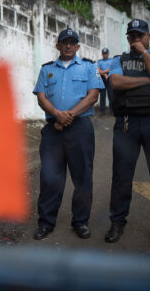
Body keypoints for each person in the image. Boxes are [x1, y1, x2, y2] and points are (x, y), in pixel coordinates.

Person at [105, 19, 150, 246]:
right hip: (126, 122)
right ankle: (117, 222)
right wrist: (146, 80)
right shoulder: (118, 60)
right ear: (127, 38)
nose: (135, 39)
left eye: (139, 35)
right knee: (121, 176)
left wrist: (143, 53)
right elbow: (116, 82)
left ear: (149, 36)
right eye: (131, 36)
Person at [33, 28, 100, 240]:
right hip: (53, 130)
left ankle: (80, 222)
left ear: (78, 46)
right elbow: (41, 97)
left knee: (82, 177)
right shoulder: (47, 70)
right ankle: (46, 222)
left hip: (80, 128)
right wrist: (56, 115)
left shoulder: (89, 67)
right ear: (58, 46)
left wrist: (67, 116)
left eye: (73, 42)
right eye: (65, 42)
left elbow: (93, 97)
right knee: (50, 177)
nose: (69, 46)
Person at [97, 48, 114, 115]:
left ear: (108, 54)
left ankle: (112, 110)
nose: (105, 55)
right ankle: (102, 111)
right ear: (102, 54)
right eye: (103, 54)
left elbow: (112, 69)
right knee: (102, 95)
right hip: (102, 79)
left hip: (109, 78)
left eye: (106, 54)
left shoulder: (111, 60)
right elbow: (98, 71)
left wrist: (104, 72)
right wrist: (105, 74)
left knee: (111, 95)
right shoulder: (99, 61)